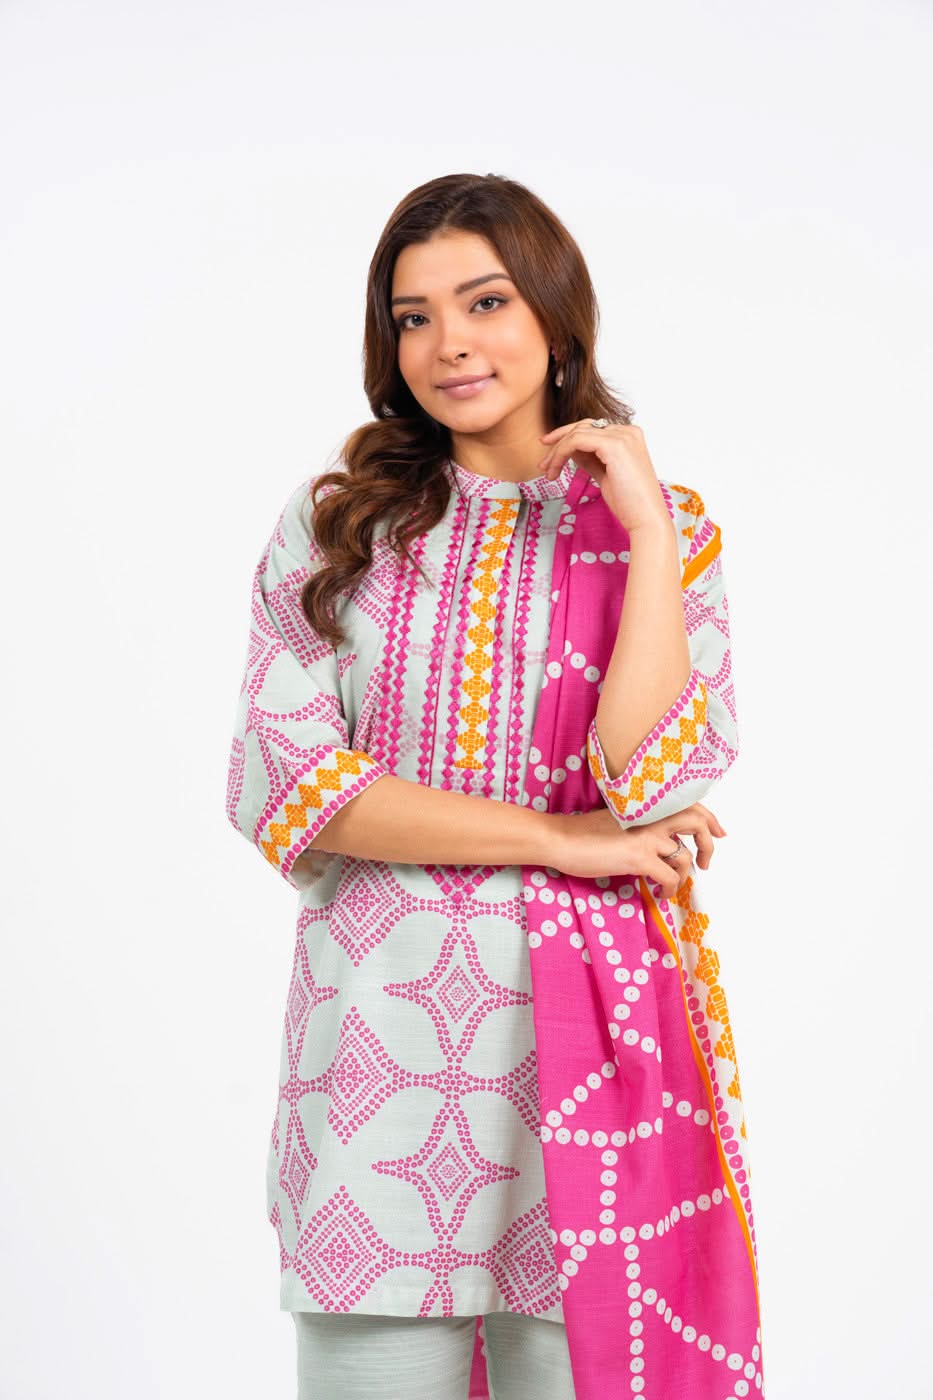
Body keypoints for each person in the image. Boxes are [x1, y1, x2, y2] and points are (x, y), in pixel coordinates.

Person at [225, 172, 765, 1400]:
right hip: (378, 1060)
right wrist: (559, 840)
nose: (449, 344)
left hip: (593, 1066)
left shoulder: (667, 530)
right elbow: (291, 783)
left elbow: (651, 779)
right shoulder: (343, 524)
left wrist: (645, 535)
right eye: (413, 317)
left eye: (484, 302)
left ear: (556, 316)